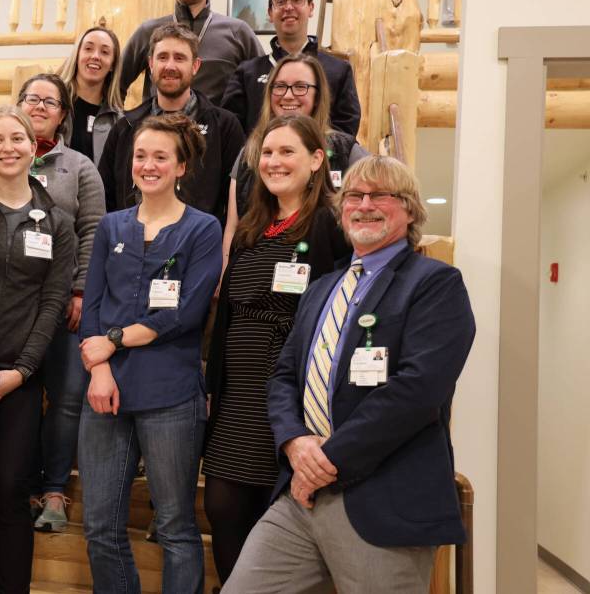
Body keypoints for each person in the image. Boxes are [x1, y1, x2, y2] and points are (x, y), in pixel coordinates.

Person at [222, 156, 476, 593]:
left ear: (410, 209)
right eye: (354, 196)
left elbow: (417, 391)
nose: (364, 205)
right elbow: (284, 376)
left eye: (381, 195)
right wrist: (294, 442)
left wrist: (327, 459)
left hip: (382, 497)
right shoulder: (321, 288)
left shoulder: (435, 284)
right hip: (300, 498)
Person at [0, 73, 106, 533]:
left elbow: (93, 228)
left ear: (62, 115)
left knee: (63, 396)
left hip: (55, 299)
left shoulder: (79, 167)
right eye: (32, 97)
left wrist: (78, 289)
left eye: (51, 101)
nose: (40, 105)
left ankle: (51, 486)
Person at [202, 114, 353, 584]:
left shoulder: (329, 224)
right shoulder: (251, 227)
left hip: (287, 397)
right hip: (236, 394)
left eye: (288, 152)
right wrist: (213, 386)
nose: (274, 161)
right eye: (267, 153)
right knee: (222, 507)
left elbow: (339, 313)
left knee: (275, 517)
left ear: (316, 160)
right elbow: (225, 315)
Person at [78, 113, 222, 594]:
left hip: (170, 395)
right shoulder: (111, 227)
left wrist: (115, 340)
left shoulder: (203, 229)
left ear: (181, 167)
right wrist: (100, 369)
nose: (148, 165)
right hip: (105, 395)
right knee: (100, 528)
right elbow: (92, 306)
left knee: (176, 527)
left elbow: (186, 312)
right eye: (141, 155)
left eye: (161, 156)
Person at [0, 106, 77, 594]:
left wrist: (22, 371)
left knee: (9, 489)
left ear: (33, 147)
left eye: (17, 138)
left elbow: (53, 303)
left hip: (19, 378)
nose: (8, 147)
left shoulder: (57, 223)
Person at [222, 53, 368, 273]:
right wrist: (225, 275)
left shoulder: (345, 150)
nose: (288, 95)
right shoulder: (249, 152)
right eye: (280, 86)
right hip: (254, 268)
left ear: (318, 96)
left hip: (321, 272)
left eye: (300, 87)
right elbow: (233, 226)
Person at [101, 23, 244, 222]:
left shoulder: (224, 127)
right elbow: (106, 200)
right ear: (151, 64)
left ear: (195, 66)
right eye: (162, 57)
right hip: (130, 238)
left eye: (179, 58)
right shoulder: (124, 127)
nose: (170, 66)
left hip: (201, 239)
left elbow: (237, 201)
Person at [119, 0, 264, 105]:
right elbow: (114, 86)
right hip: (158, 121)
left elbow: (265, 86)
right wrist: (124, 121)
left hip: (220, 121)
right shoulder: (148, 31)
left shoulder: (238, 32)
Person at [221, 0, 361, 137]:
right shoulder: (246, 73)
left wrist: (314, 150)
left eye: (297, 0)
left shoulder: (339, 70)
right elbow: (232, 129)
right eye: (280, 2)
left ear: (311, 8)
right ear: (270, 13)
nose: (288, 7)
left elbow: (346, 130)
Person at [57, 26, 125, 166]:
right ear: (77, 55)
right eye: (88, 49)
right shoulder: (53, 103)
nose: (95, 56)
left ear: (112, 65)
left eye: (104, 52)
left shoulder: (118, 122)